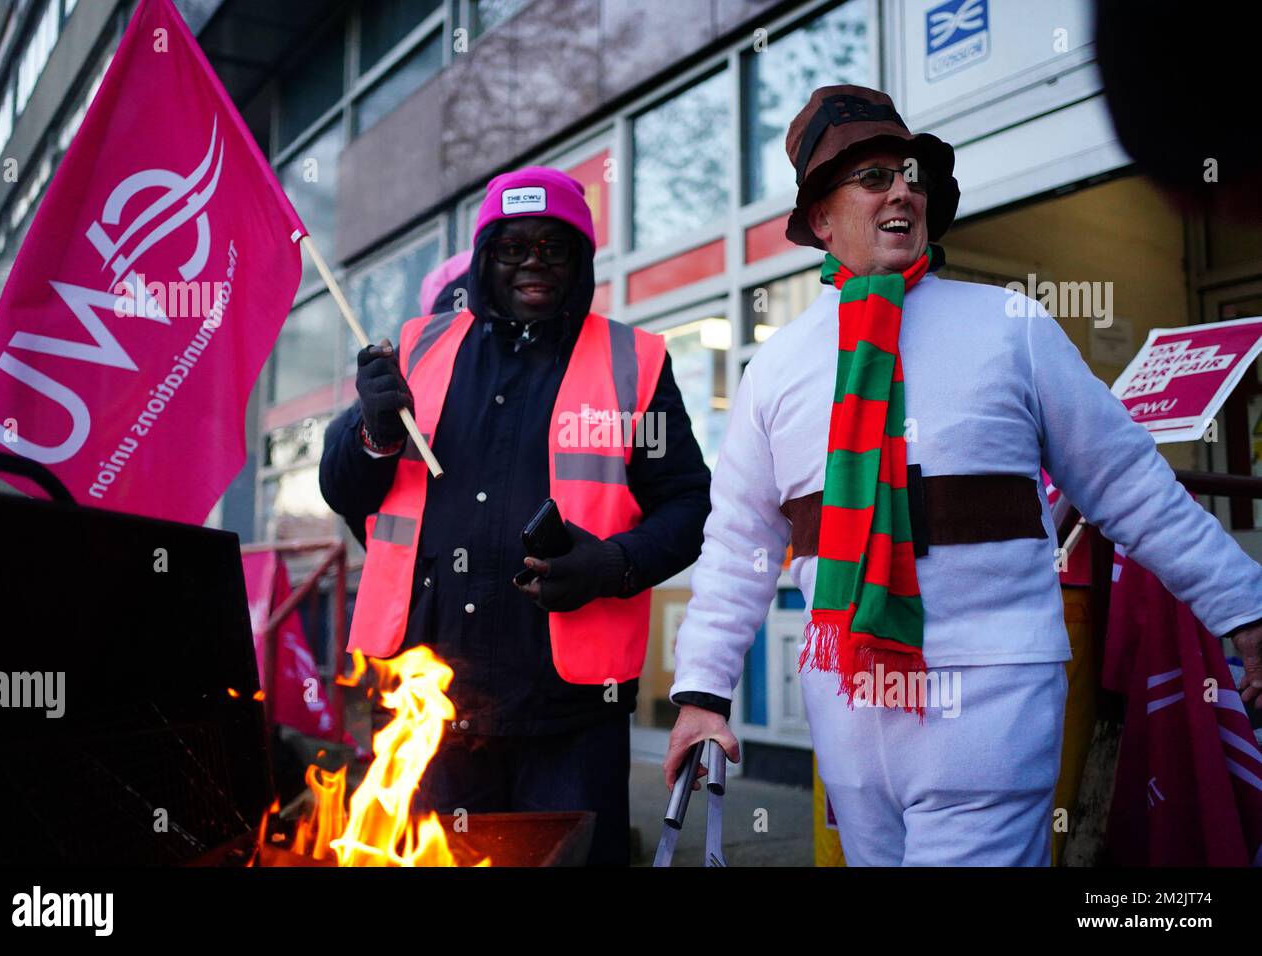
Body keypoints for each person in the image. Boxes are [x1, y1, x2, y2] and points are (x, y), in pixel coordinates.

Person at [663, 85, 1262, 866]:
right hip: (846, 702)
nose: (902, 189)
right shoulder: (774, 366)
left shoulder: (1010, 326)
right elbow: (738, 539)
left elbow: (1131, 487)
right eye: (874, 178)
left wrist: (1243, 609)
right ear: (822, 218)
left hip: (993, 690)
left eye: (910, 173)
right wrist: (702, 694)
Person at [319, 166, 711, 866]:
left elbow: (687, 504)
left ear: (581, 261)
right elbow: (346, 491)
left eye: (554, 247)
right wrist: (372, 433)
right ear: (484, 260)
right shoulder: (418, 348)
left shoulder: (635, 361)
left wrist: (612, 566)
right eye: (513, 247)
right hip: (428, 704)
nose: (534, 261)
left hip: (571, 716)